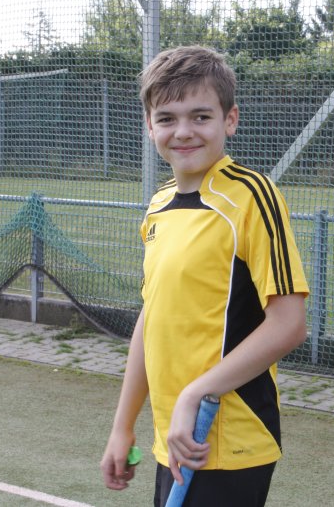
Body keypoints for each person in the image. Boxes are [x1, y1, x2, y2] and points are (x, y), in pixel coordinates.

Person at [100, 45, 309, 507]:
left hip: (228, 441)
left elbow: (289, 324)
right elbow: (151, 319)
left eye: (200, 116)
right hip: (173, 437)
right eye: (167, 118)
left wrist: (195, 393)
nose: (183, 131)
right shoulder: (158, 205)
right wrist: (122, 425)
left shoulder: (252, 196)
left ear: (229, 120)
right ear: (149, 125)